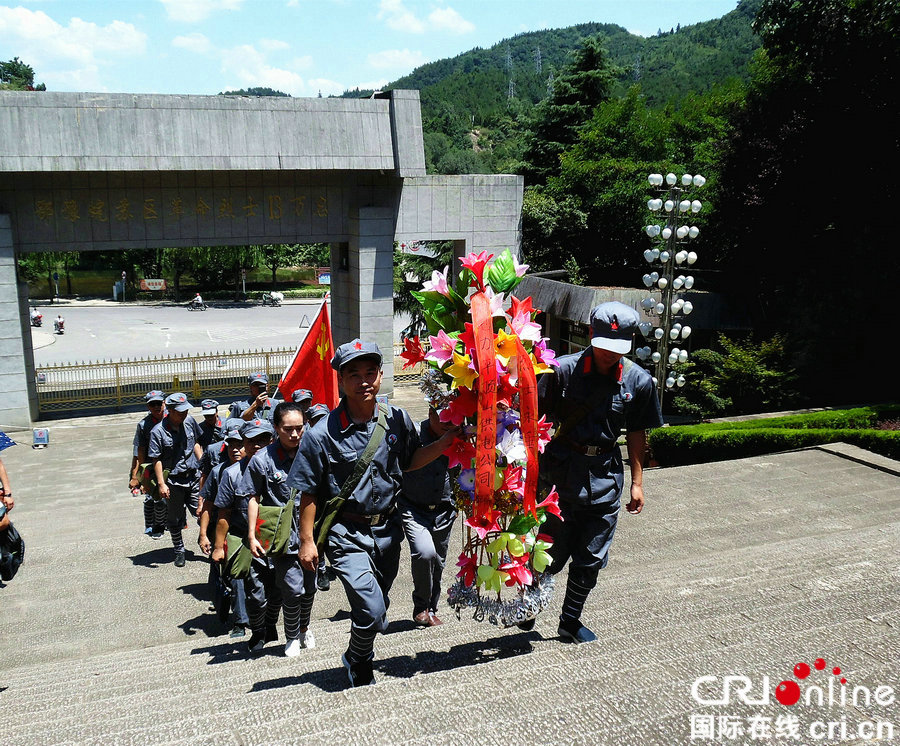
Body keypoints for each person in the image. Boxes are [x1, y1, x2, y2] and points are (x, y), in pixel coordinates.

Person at [288, 339, 460, 687]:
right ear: (341, 380)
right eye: (354, 374)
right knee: (372, 610)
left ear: (381, 376)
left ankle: (355, 652)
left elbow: (410, 461)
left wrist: (443, 445)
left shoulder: (395, 418)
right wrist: (307, 542)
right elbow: (307, 492)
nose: (364, 381)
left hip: (387, 532)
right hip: (346, 534)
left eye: (371, 373)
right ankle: (360, 660)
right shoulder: (321, 434)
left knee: (377, 612)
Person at [535, 301, 663, 643]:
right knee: (548, 555)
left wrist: (637, 483)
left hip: (606, 478)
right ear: (592, 335)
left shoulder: (638, 380)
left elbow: (637, 432)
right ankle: (529, 605)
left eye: (618, 348)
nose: (610, 355)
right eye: (605, 345)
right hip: (558, 479)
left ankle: (570, 621)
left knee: (591, 558)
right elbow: (531, 424)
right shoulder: (560, 371)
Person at [246, 402, 317, 656]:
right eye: (288, 429)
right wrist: (252, 534)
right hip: (281, 535)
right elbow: (253, 496)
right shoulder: (262, 460)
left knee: (310, 587)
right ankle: (291, 637)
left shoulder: (312, 452)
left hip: (310, 533)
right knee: (292, 588)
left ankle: (304, 627)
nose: (295, 434)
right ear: (276, 428)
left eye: (300, 428)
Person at [211, 418, 276, 654]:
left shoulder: (285, 465)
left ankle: (270, 625)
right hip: (247, 540)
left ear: (272, 439)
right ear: (244, 444)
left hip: (277, 538)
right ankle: (258, 630)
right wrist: (219, 546)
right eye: (252, 441)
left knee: (278, 590)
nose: (258, 445)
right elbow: (224, 513)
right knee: (256, 593)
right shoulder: (231, 474)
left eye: (264, 439)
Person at [399, 407, 458, 627]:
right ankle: (421, 606)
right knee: (425, 553)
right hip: (413, 508)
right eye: (441, 416)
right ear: (430, 412)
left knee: (439, 562)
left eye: (451, 417)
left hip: (444, 510)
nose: (446, 422)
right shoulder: (412, 433)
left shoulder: (460, 435)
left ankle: (431, 608)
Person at [197, 421, 249, 637]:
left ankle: (243, 619)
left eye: (240, 445)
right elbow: (208, 506)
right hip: (224, 532)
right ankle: (231, 616)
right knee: (223, 578)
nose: (235, 450)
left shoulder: (257, 468)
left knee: (242, 578)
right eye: (231, 446)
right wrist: (202, 535)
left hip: (251, 531)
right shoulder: (218, 472)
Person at [148, 392, 204, 567]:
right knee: (174, 519)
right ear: (169, 410)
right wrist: (161, 484)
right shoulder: (157, 432)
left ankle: (208, 542)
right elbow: (155, 459)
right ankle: (179, 550)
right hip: (173, 481)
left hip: (193, 477)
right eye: (180, 412)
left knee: (202, 512)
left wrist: (203, 465)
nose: (184, 414)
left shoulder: (189, 421)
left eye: (185, 410)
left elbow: (195, 442)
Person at [129, 390, 167, 538]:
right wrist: (135, 476)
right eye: (153, 404)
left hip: (169, 464)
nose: (157, 407)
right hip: (150, 466)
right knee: (153, 498)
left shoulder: (172, 419)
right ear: (148, 407)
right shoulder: (144, 425)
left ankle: (166, 523)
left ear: (164, 403)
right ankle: (153, 525)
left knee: (168, 498)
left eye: (159, 403)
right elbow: (139, 452)